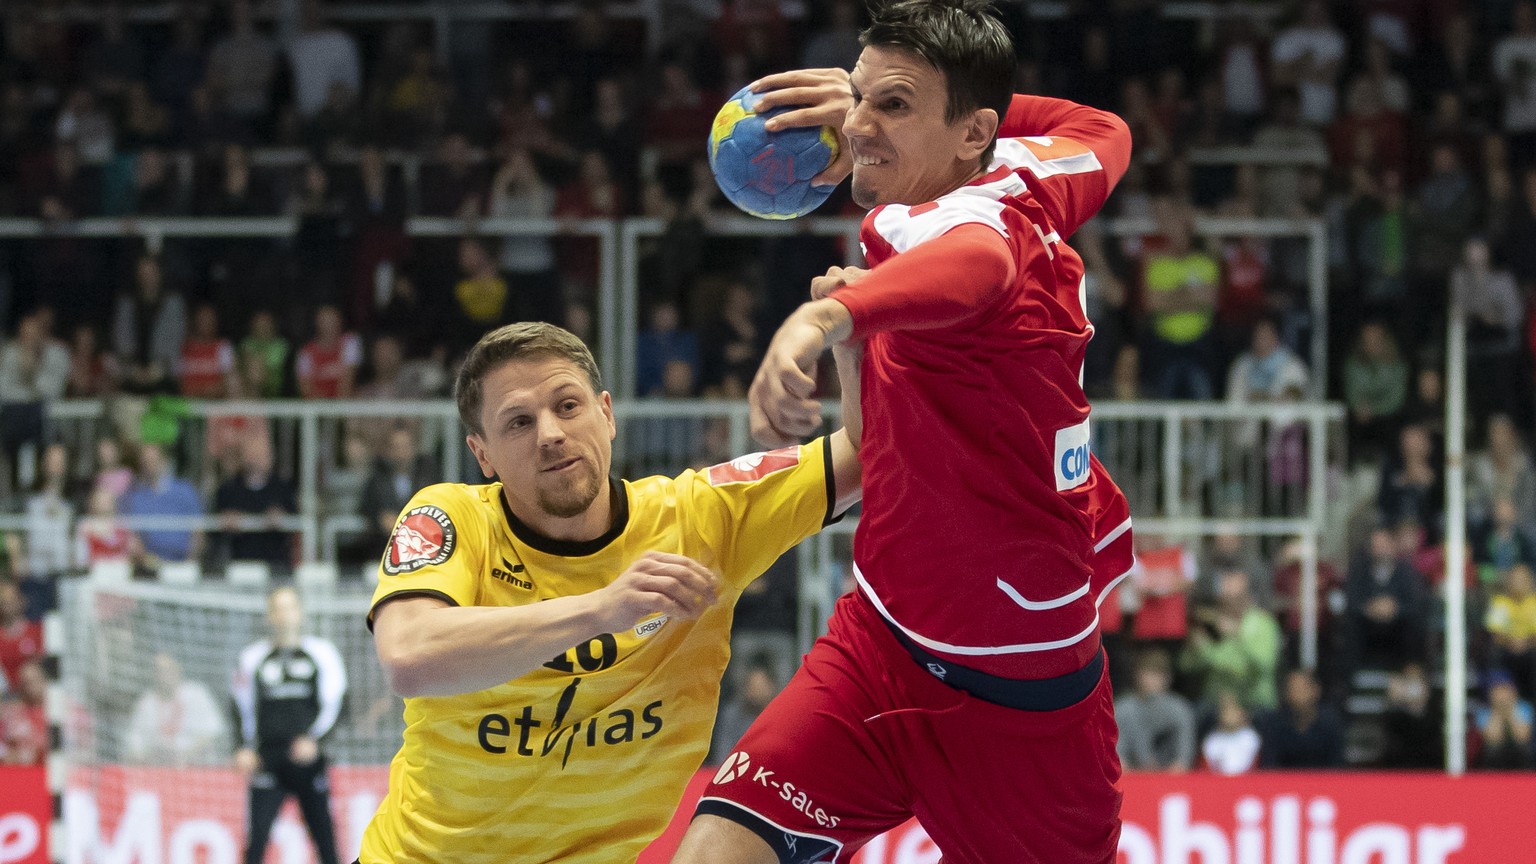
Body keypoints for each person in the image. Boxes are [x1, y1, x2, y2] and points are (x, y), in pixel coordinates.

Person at [675, 3, 1135, 861]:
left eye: (891, 105)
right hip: (879, 650)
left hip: (1021, 709)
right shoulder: (1027, 173)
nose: (854, 125)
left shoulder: (961, 233)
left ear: (972, 135)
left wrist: (824, 323)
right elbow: (1104, 127)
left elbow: (977, 269)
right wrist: (927, 112)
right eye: (857, 97)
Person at [359, 321, 860, 862]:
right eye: (519, 422)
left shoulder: (700, 517)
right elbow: (409, 655)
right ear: (483, 455)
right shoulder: (451, 517)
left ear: (607, 413)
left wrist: (856, 337)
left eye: (567, 406)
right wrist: (602, 609)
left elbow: (865, 449)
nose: (549, 433)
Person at [231, 587, 347, 864]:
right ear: (270, 616)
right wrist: (242, 747)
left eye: (290, 607)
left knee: (326, 843)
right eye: (278, 608)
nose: (284, 615)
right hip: (267, 761)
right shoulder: (252, 658)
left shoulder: (322, 653)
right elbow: (238, 705)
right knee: (255, 844)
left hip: (308, 764)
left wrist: (315, 741)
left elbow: (338, 703)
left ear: (300, 612)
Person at [124, 651, 228, 766]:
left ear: (178, 668)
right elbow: (135, 743)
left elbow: (212, 733)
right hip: (158, 772)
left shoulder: (196, 694)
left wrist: (185, 754)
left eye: (167, 669)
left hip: (196, 769)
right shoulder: (146, 703)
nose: (164, 675)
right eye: (159, 671)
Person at [1114, 648, 1196, 772]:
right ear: (1137, 676)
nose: (1152, 680)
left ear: (1167, 678)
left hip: (1170, 781)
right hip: (1132, 779)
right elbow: (1117, 757)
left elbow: (1183, 758)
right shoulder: (1122, 709)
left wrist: (1164, 779)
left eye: (1157, 675)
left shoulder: (1180, 709)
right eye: (1148, 674)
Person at [1258, 668, 1345, 768]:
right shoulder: (1274, 724)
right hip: (1284, 781)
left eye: (1301, 689)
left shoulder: (1330, 722)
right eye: (1291, 689)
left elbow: (1337, 765)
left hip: (1323, 781)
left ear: (1315, 690)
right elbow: (1269, 765)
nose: (1296, 695)